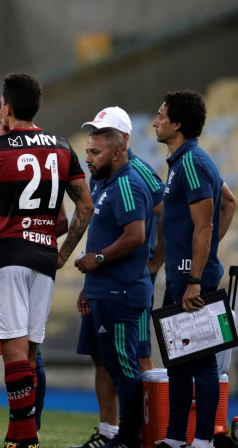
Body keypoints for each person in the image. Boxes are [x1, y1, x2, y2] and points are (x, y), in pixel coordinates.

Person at [0, 73, 93, 448]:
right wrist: (63, 254)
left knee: (14, 352)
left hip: (6, 254)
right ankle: (20, 436)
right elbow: (84, 206)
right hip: (43, 257)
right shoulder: (62, 147)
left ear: (6, 107)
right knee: (32, 348)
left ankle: (24, 439)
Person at [72, 107, 165, 448]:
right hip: (102, 289)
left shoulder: (131, 178)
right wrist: (89, 285)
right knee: (109, 360)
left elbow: (139, 231)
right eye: (88, 149)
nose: (89, 157)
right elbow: (101, 232)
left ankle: (135, 436)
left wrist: (154, 262)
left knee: (132, 363)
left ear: (120, 144)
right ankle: (113, 432)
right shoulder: (104, 181)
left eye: (95, 150)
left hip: (123, 289)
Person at [153, 90, 235, 448]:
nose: (155, 121)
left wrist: (196, 277)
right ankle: (174, 439)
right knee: (178, 363)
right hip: (184, 275)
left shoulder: (192, 163)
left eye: (161, 115)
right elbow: (229, 203)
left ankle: (202, 441)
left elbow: (206, 225)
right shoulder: (184, 161)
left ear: (177, 124)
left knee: (200, 364)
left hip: (192, 281)